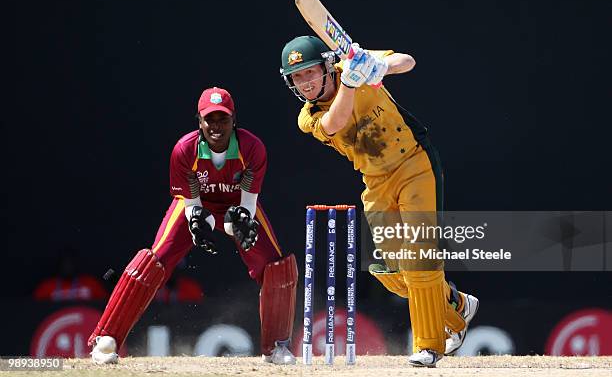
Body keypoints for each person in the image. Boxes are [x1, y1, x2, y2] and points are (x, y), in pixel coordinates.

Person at [280, 36, 478, 367]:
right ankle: (455, 307)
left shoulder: (352, 63)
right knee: (394, 273)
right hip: (375, 181)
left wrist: (379, 65)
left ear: (327, 66)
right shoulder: (308, 117)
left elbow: (408, 60)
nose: (305, 82)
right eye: (297, 77)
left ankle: (429, 345)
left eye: (309, 72)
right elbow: (335, 123)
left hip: (415, 162)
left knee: (419, 258)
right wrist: (351, 82)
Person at [88, 87, 298, 365]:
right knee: (155, 259)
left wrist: (236, 223)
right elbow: (193, 207)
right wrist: (202, 222)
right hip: (197, 206)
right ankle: (105, 339)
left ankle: (277, 348)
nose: (216, 126)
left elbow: (248, 205)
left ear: (234, 119)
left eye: (223, 119)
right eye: (209, 119)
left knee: (275, 266)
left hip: (238, 206)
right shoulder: (184, 150)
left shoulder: (252, 148)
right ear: (199, 121)